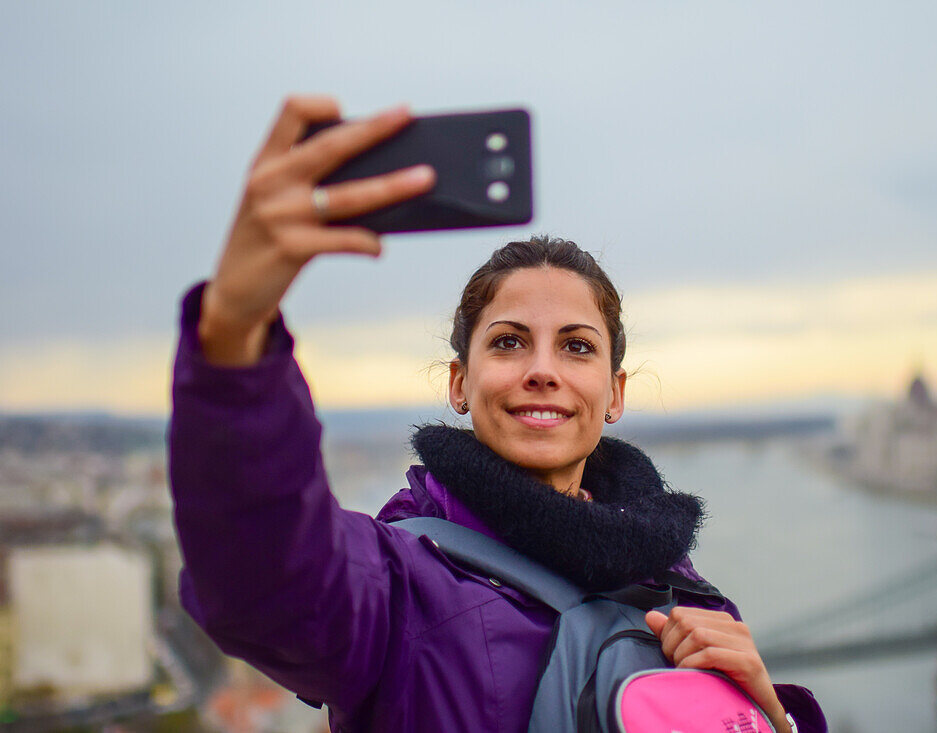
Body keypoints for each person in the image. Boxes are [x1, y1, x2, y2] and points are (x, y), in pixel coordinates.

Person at [169, 96, 827, 732]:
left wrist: (776, 720)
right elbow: (260, 574)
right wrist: (234, 329)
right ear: (460, 382)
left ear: (615, 393)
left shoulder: (685, 593)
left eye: (576, 345)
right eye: (509, 341)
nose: (542, 369)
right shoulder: (396, 588)